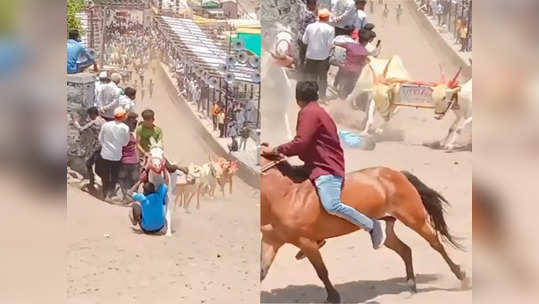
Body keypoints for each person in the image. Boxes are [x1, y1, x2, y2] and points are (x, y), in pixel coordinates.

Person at [262, 81, 386, 249]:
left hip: (326, 168)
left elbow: (301, 143)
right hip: (314, 165)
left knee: (331, 205)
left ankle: (371, 225)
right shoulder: (315, 111)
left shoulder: (309, 113)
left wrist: (278, 149)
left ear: (298, 99)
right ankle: (314, 236)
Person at [98, 107, 130, 201]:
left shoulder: (106, 125)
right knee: (114, 175)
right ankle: (110, 194)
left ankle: (104, 193)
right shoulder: (125, 128)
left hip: (105, 154)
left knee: (105, 175)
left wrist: (105, 146)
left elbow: (100, 139)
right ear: (123, 117)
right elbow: (125, 143)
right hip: (116, 156)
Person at [70, 107, 106, 192]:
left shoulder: (94, 122)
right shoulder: (104, 121)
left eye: (90, 115)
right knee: (101, 167)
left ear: (93, 114)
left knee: (89, 164)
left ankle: (92, 183)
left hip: (98, 148)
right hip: (106, 147)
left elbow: (81, 129)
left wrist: (74, 121)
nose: (89, 117)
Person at [303, 9, 335, 101]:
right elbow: (330, 44)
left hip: (310, 56)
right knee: (322, 78)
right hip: (323, 57)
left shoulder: (310, 26)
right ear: (327, 18)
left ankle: (309, 97)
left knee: (310, 77)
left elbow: (304, 41)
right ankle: (322, 97)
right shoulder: (330, 29)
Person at [334, 29, 370, 99]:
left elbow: (336, 43)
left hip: (345, 69)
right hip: (355, 73)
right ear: (367, 42)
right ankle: (344, 97)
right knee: (349, 88)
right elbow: (363, 63)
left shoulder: (350, 45)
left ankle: (338, 92)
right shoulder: (365, 52)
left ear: (359, 38)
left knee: (341, 83)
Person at [119, 112, 140, 202]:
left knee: (121, 178)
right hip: (134, 161)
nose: (134, 124)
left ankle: (125, 196)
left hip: (125, 160)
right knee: (134, 180)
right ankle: (132, 197)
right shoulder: (134, 134)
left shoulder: (123, 131)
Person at [298, 0, 318, 73]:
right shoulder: (311, 16)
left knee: (301, 55)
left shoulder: (303, 11)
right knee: (308, 56)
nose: (316, 6)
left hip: (300, 36)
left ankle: (300, 70)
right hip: (307, 39)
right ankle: (305, 73)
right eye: (315, 4)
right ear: (311, 5)